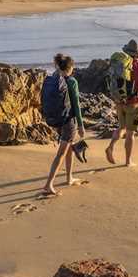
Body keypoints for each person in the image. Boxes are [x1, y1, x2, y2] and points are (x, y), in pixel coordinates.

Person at [42, 53, 85, 196]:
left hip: (57, 120)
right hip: (69, 122)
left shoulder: (54, 78)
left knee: (69, 148)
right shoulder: (71, 81)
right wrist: (81, 125)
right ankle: (48, 184)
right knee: (61, 153)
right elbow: (76, 105)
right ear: (70, 67)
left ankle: (69, 177)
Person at [106, 39, 138, 167]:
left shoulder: (120, 64)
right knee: (130, 133)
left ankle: (110, 146)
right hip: (133, 104)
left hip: (120, 101)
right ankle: (128, 161)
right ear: (137, 54)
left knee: (121, 127)